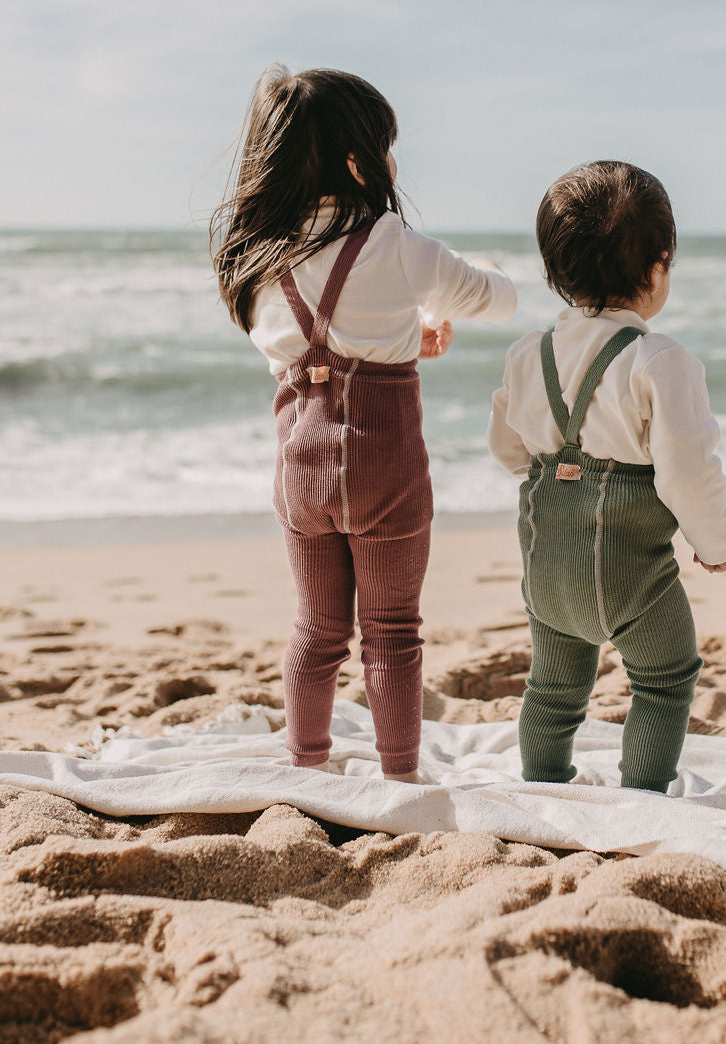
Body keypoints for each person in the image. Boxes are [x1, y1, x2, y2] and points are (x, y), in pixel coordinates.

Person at [211, 65, 516, 780]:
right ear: (356, 160)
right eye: (387, 146)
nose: (394, 162)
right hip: (385, 469)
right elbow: (495, 298)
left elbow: (314, 340)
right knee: (391, 632)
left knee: (317, 630)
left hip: (301, 472)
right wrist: (435, 313)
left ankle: (308, 767)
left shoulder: (257, 260)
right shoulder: (392, 240)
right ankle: (400, 774)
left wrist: (404, 329)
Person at [487, 161, 726, 794]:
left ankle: (543, 782)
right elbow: (688, 469)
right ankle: (642, 793)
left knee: (552, 686)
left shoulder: (527, 353)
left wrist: (549, 471)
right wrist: (716, 544)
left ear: (555, 271)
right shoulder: (661, 360)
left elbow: (508, 449)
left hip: (551, 566)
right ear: (658, 268)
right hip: (635, 579)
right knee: (665, 678)